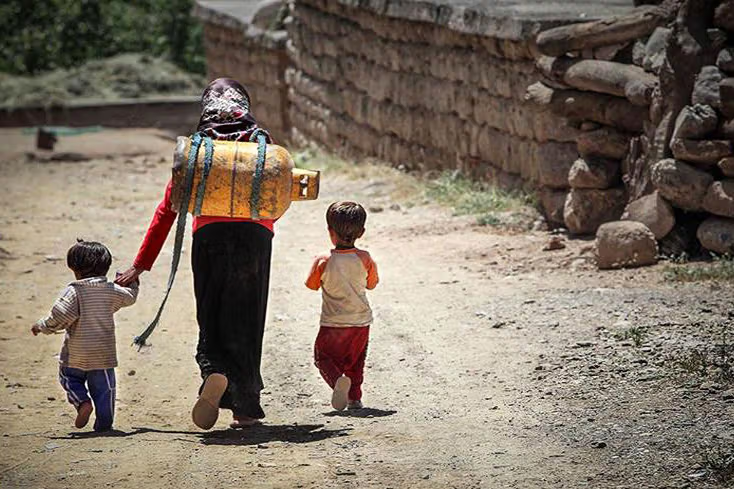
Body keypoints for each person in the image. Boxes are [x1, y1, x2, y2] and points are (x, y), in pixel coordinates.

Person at [115, 78, 275, 430]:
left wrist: (140, 265)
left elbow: (167, 209)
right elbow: (277, 200)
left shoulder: (199, 148)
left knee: (212, 312)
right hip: (255, 239)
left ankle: (214, 371)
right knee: (247, 320)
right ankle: (246, 409)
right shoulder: (260, 141)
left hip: (209, 239)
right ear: (243, 105)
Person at [31, 240, 138, 432]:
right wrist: (132, 282)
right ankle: (104, 425)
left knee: (69, 378)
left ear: (74, 268)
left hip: (76, 354)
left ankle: (82, 402)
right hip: (103, 355)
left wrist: (42, 326)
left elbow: (60, 316)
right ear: (106, 267)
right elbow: (129, 297)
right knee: (106, 390)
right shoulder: (111, 290)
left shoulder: (75, 292)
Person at [305, 201, 379, 411]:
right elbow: (372, 284)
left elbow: (311, 285)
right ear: (361, 232)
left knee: (324, 357)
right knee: (356, 362)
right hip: (361, 322)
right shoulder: (365, 258)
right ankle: (355, 399)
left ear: (330, 231)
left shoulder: (324, 260)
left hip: (333, 323)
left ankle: (338, 381)